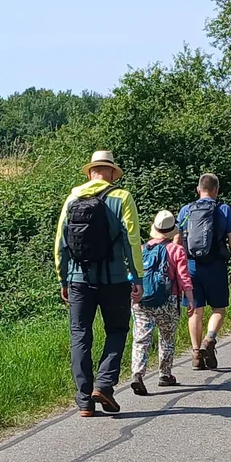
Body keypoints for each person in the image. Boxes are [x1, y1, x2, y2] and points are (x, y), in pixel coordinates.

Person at [55, 150, 141, 416]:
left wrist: (63, 278)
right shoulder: (122, 197)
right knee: (116, 330)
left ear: (91, 172)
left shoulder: (73, 198)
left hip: (78, 279)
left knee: (80, 335)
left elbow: (61, 243)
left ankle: (84, 401)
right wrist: (136, 277)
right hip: (115, 280)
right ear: (112, 173)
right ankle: (104, 384)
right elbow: (132, 240)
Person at [178, 172, 231, 372]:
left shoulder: (185, 210)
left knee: (195, 309)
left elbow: (177, 241)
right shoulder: (223, 209)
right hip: (216, 265)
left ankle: (196, 353)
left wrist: (177, 271)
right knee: (218, 308)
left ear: (198, 189)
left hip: (191, 267)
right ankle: (210, 339)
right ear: (217, 190)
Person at [128, 209, 193, 396]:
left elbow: (134, 275)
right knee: (167, 337)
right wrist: (189, 299)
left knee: (141, 339)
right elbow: (183, 277)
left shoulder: (141, 249)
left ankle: (137, 374)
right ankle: (164, 374)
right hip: (168, 300)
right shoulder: (176, 250)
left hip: (142, 299)